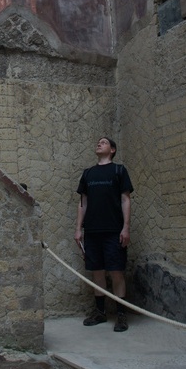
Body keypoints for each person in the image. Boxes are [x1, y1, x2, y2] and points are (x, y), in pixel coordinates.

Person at [74, 137, 133, 332]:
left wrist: (126, 227)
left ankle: (122, 315)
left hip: (114, 230)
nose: (99, 144)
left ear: (113, 150)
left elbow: (125, 200)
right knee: (97, 271)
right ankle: (100, 312)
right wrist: (78, 229)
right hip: (92, 231)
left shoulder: (119, 171)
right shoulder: (88, 173)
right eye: (98, 142)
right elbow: (83, 202)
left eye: (104, 142)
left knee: (116, 271)